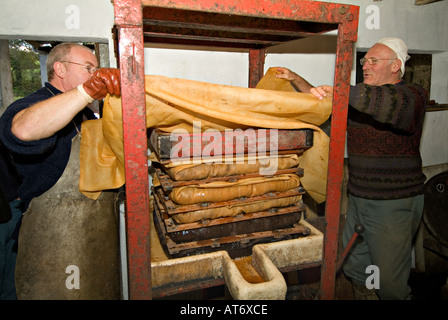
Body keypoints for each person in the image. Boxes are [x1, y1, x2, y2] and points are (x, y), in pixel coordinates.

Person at [275, 37, 428, 300]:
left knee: (390, 284)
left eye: (373, 61)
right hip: (359, 198)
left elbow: (387, 103)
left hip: (393, 203)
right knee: (356, 266)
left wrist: (343, 92)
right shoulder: (359, 100)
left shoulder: (411, 96)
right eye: (364, 60)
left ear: (396, 66)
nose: (365, 65)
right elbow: (325, 107)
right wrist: (297, 80)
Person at [0, 42, 121, 299]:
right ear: (60, 69)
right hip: (47, 239)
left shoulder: (87, 117)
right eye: (88, 68)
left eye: (97, 69)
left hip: (91, 236)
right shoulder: (36, 104)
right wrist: (86, 91)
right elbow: (23, 130)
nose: (95, 74)